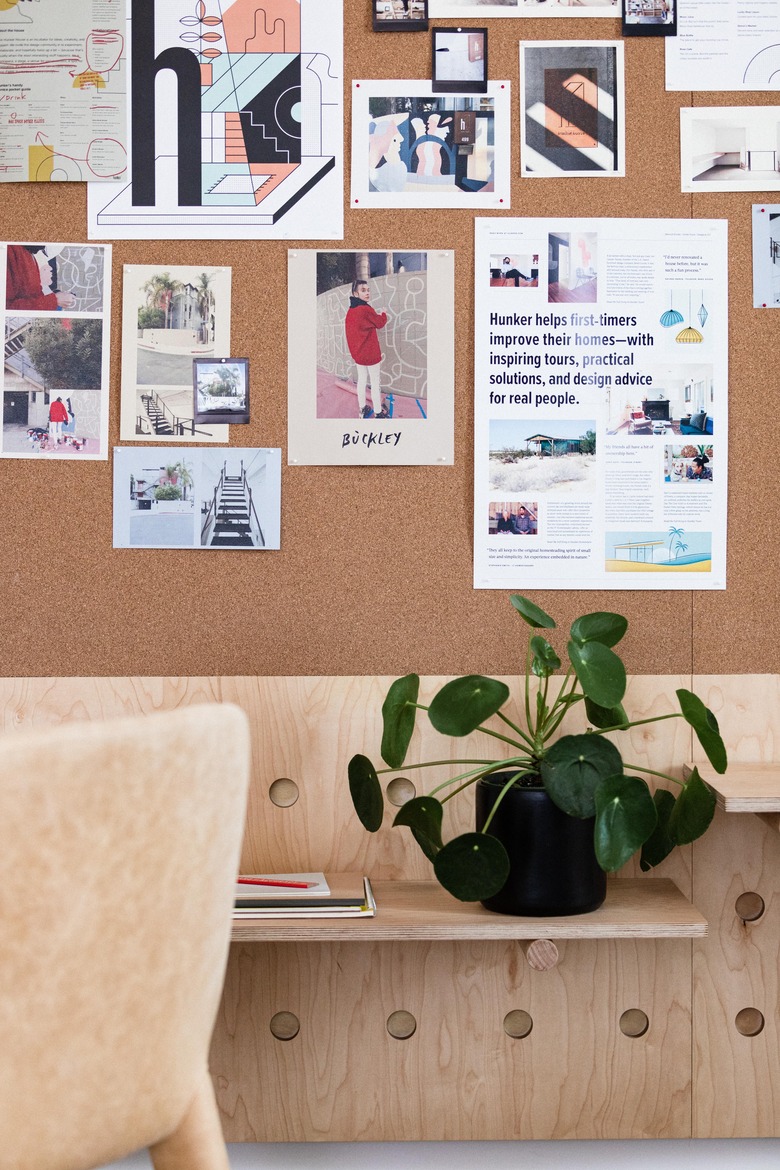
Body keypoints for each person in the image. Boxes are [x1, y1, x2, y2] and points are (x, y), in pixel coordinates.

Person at [345, 278, 389, 419]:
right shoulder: (365, 309)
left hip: (358, 355)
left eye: (368, 290)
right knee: (375, 383)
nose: (367, 293)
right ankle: (378, 412)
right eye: (363, 290)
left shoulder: (350, 312)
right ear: (355, 293)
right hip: (370, 354)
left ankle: (363, 409)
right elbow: (380, 323)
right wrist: (383, 313)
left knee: (362, 381)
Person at [6, 244, 77, 312]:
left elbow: (32, 295)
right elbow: (6, 308)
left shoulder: (29, 252)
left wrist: (55, 296)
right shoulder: (9, 250)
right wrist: (54, 301)